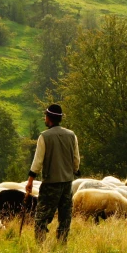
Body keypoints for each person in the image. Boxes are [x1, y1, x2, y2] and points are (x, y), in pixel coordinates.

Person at [25, 104, 80, 243]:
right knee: (65, 216)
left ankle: (40, 245)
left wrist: (30, 180)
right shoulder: (71, 135)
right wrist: (74, 171)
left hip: (50, 184)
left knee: (42, 217)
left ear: (49, 118)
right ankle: (62, 243)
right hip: (67, 183)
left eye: (45, 116)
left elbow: (37, 162)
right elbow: (76, 159)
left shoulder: (44, 137)